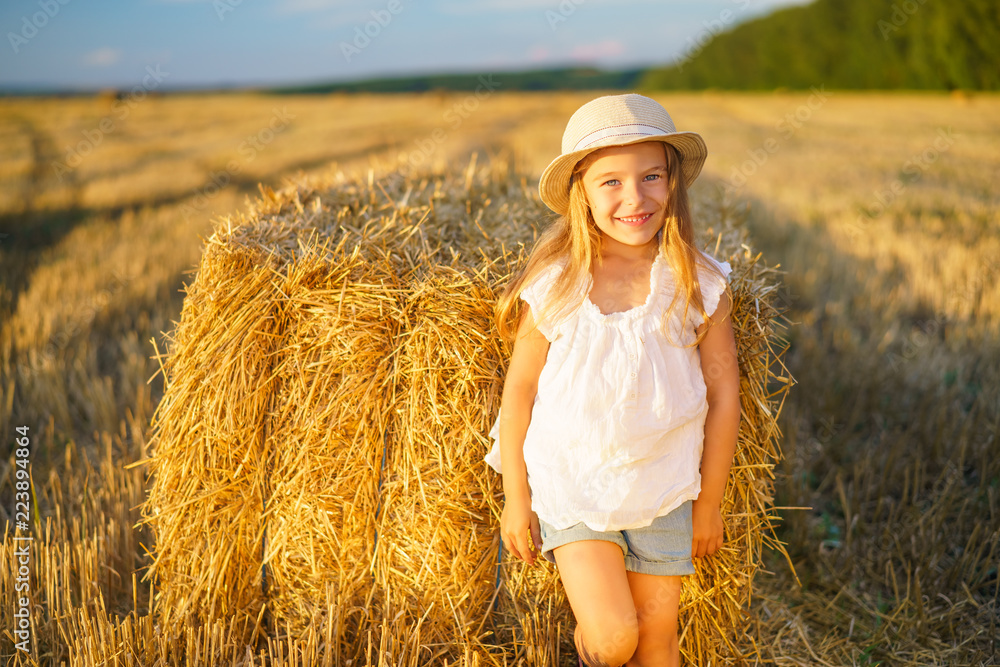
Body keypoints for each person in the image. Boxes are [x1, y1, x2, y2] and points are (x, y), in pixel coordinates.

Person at [484, 94, 741, 667]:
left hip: (665, 488)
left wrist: (711, 503)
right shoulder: (558, 283)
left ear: (673, 182)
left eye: (651, 176)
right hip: (575, 485)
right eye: (612, 182)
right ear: (581, 192)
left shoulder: (698, 283)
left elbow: (725, 395)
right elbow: (520, 391)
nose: (635, 197)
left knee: (657, 647)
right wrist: (516, 498)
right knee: (612, 639)